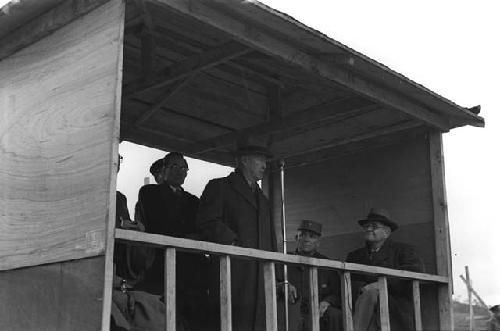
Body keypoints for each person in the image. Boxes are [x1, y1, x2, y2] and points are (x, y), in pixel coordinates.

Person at [196, 143, 277, 331]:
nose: (264, 165)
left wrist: (278, 277)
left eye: (265, 160)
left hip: (260, 276)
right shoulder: (220, 187)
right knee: (230, 322)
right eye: (260, 159)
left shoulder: (263, 200)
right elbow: (206, 221)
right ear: (244, 160)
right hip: (232, 270)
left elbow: (271, 239)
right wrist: (233, 243)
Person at [134, 152, 208, 330]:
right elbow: (158, 223)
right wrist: (185, 236)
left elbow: (201, 230)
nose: (180, 171)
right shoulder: (150, 192)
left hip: (190, 271)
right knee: (164, 318)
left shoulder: (193, 201)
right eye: (174, 167)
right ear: (164, 169)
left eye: (184, 168)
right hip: (161, 266)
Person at [346, 208, 424, 331]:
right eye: (366, 226)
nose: (369, 229)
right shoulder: (355, 256)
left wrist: (380, 285)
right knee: (369, 297)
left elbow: (414, 272)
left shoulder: (403, 251)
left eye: (374, 226)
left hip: (395, 306)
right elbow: (349, 280)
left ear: (386, 232)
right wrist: (362, 288)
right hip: (364, 303)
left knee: (372, 294)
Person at [286, 220, 343, 331]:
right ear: (296, 238)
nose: (306, 240)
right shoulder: (285, 260)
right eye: (302, 235)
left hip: (318, 311)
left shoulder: (326, 264)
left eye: (312, 236)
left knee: (335, 314)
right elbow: (272, 282)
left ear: (318, 242)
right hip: (292, 310)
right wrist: (285, 285)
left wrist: (327, 302)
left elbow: (338, 293)